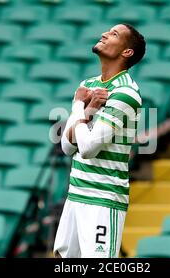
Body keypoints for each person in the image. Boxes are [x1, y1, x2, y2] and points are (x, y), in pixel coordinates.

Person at [53, 23, 146, 258]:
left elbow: (88, 148)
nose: (104, 34)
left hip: (102, 199)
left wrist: (81, 109)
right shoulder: (87, 85)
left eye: (114, 34)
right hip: (76, 193)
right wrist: (84, 109)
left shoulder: (126, 93)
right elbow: (66, 146)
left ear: (127, 52)